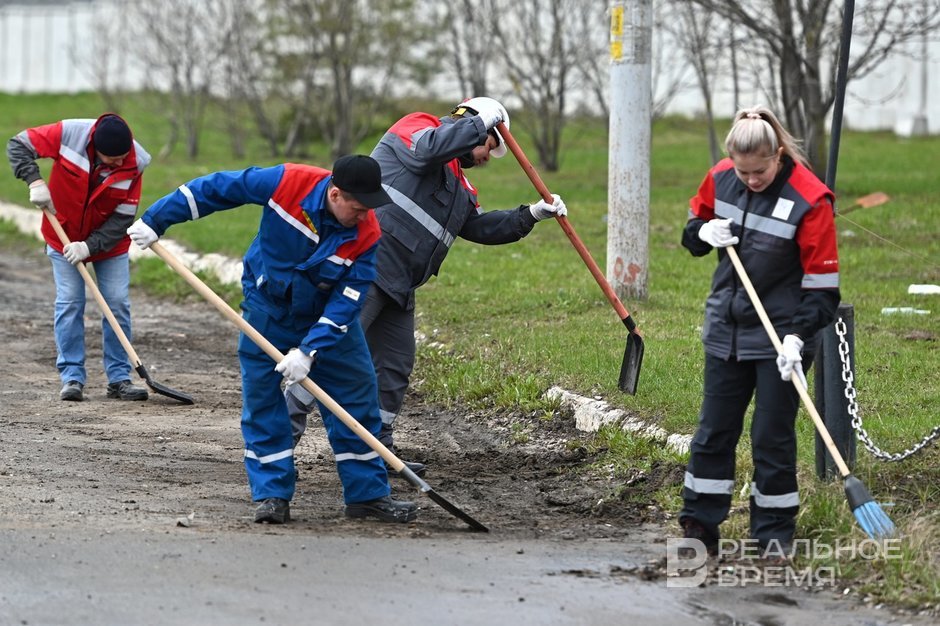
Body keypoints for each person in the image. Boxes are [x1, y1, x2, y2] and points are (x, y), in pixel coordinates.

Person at [125, 155, 418, 525]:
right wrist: (156, 220)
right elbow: (217, 188)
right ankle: (272, 495)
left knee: (356, 395)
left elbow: (349, 299)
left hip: (325, 318)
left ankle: (367, 496)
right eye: (358, 208)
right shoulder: (287, 183)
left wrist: (309, 350)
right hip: (268, 310)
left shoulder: (367, 232)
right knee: (263, 400)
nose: (364, 217)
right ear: (335, 194)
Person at [284, 97, 567, 475]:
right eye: (489, 145)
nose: (487, 156)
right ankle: (277, 444)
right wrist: (479, 124)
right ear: (475, 126)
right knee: (327, 354)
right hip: (366, 268)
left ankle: (377, 451)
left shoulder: (462, 188)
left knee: (394, 367)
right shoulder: (417, 128)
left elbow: (478, 227)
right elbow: (426, 152)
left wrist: (530, 214)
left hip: (401, 286)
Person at [678, 105, 841, 557]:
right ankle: (699, 525)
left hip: (781, 338)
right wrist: (703, 232)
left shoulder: (811, 199)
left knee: (771, 437)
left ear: (778, 155)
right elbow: (692, 232)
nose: (750, 180)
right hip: (725, 328)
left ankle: (773, 534)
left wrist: (797, 338)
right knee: (713, 431)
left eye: (760, 172)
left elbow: (823, 289)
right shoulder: (721, 177)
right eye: (742, 171)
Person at [7, 114, 151, 402]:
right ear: (95, 148)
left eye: (122, 157)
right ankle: (72, 377)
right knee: (70, 302)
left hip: (109, 244)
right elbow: (18, 144)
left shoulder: (135, 162)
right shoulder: (69, 134)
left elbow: (122, 218)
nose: (118, 163)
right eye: (112, 159)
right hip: (62, 235)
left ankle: (119, 378)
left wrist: (88, 246)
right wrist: (35, 181)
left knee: (117, 303)